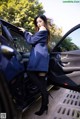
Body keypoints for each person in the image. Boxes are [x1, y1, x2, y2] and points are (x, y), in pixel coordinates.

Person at [20, 14, 50, 116]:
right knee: (42, 84)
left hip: (39, 58)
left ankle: (44, 104)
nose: (38, 24)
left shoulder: (42, 30)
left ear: (44, 22)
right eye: (37, 22)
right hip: (43, 58)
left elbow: (31, 40)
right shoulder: (43, 31)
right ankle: (44, 105)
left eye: (40, 21)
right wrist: (30, 34)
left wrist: (25, 32)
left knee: (30, 73)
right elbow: (34, 40)